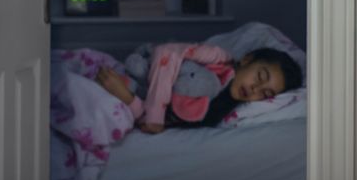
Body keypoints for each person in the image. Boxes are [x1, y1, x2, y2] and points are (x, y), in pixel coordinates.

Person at [96, 45, 303, 131]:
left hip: (131, 97)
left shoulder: (224, 112)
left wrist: (128, 99)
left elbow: (169, 120)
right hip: (141, 71)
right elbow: (167, 53)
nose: (255, 89)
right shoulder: (218, 57)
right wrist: (154, 115)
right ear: (247, 59)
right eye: (260, 76)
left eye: (265, 93)